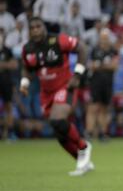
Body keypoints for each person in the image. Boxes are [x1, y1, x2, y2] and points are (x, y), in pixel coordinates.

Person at [20, 16, 93, 176]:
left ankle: (83, 147)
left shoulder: (58, 40)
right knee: (60, 133)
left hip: (65, 87)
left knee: (57, 120)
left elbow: (82, 48)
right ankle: (83, 163)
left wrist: (77, 75)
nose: (36, 30)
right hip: (46, 94)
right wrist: (24, 82)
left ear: (44, 28)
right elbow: (26, 67)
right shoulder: (28, 49)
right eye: (32, 28)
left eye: (38, 27)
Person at [85, 29, 119, 141]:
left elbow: (114, 66)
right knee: (93, 107)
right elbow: (90, 65)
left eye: (106, 38)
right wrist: (104, 65)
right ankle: (89, 132)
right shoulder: (94, 50)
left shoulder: (113, 51)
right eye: (102, 38)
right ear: (99, 39)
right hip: (96, 83)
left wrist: (99, 65)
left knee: (104, 108)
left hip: (107, 83)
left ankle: (103, 133)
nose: (104, 40)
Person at [0, 30, 18, 140]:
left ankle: (9, 132)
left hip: (6, 82)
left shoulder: (7, 51)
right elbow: (10, 64)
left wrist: (2, 65)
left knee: (8, 107)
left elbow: (14, 65)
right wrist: (7, 65)